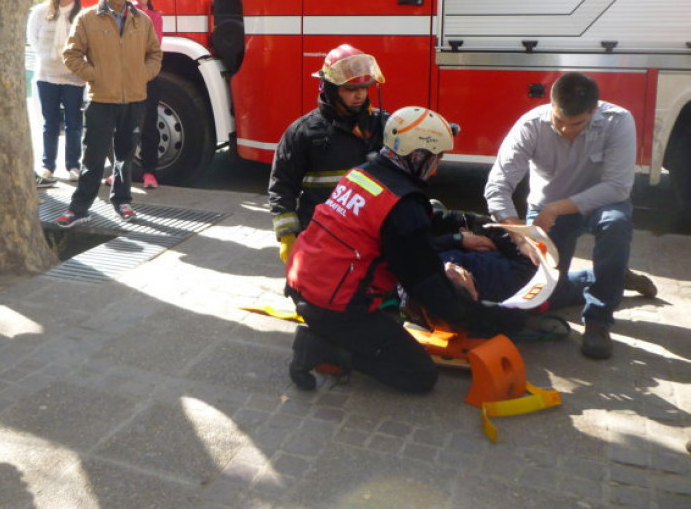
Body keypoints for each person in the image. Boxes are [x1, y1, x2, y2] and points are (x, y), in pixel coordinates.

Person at [285, 106, 520, 393]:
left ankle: (337, 333)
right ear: (417, 156)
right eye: (436, 158)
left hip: (306, 286)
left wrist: (465, 224)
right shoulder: (402, 206)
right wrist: (479, 314)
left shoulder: (364, 173)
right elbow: (425, 282)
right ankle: (322, 348)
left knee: (387, 328)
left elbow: (410, 229)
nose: (436, 167)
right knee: (418, 376)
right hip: (336, 307)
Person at [485, 72, 657, 359]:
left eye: (576, 123)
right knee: (542, 294)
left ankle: (598, 321)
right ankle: (609, 275)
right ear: (551, 105)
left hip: (600, 204)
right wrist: (519, 234)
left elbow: (617, 187)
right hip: (545, 209)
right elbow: (497, 187)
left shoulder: (618, 121)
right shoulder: (530, 125)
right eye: (559, 121)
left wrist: (556, 208)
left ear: (594, 110)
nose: (566, 130)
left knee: (615, 223)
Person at [57, 0, 163, 227]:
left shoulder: (143, 19)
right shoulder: (88, 18)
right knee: (93, 158)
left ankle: (123, 201)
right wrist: (95, 75)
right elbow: (71, 54)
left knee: (125, 156)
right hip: (101, 99)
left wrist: (143, 74)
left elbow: (155, 54)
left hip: (134, 98)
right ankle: (79, 208)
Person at [269, 44, 388, 264]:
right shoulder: (303, 132)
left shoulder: (381, 125)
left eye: (364, 88)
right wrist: (287, 235)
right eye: (351, 89)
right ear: (331, 89)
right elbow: (282, 185)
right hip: (320, 235)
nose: (360, 95)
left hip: (369, 234)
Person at [26, 0, 85, 186]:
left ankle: (73, 165)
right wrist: (49, 58)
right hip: (46, 74)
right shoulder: (40, 12)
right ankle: (48, 165)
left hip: (73, 76)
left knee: (73, 122)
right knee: (50, 122)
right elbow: (32, 39)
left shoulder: (82, 14)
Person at [130, 0, 164, 189]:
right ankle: (119, 172)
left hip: (147, 78)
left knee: (149, 126)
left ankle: (149, 172)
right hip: (124, 78)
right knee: (123, 126)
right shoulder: (121, 15)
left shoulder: (155, 18)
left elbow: (154, 46)